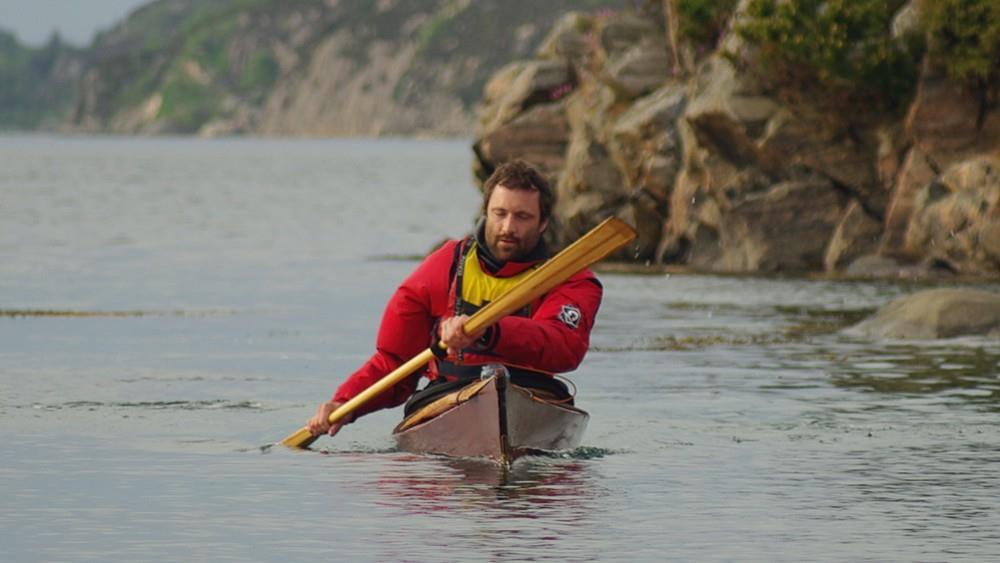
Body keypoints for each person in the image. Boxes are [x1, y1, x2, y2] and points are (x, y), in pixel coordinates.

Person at [307, 159, 603, 437]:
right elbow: (394, 362)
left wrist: (488, 332)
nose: (508, 227)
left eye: (523, 217)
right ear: (486, 212)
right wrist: (346, 404)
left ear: (543, 224)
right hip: (450, 392)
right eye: (500, 214)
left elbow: (563, 345)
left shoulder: (571, 277)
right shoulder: (444, 266)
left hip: (531, 392)